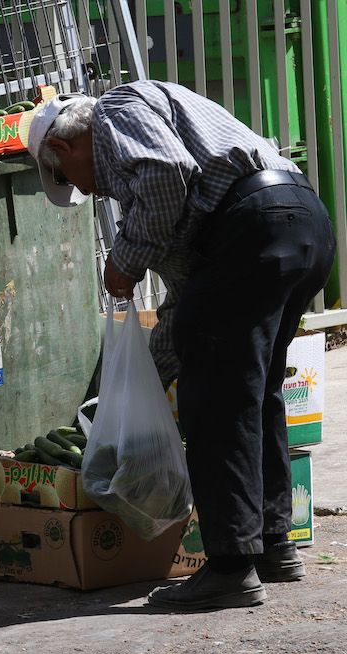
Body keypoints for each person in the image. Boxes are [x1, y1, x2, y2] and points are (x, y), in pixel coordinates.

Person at [26, 80, 336, 611]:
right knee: (251, 391)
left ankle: (231, 566)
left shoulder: (114, 111)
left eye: (74, 182)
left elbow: (167, 173)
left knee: (215, 403)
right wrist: (143, 380)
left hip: (255, 225)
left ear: (62, 148)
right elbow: (189, 303)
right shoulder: (172, 196)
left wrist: (125, 258)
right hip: (301, 223)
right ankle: (274, 546)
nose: (90, 193)